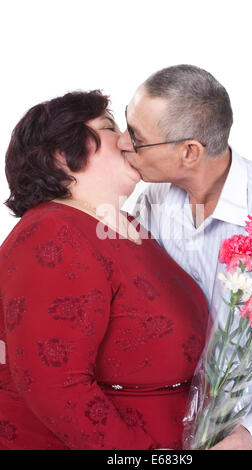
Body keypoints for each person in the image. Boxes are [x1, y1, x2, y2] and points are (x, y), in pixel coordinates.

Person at [0, 90, 209, 450]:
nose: (129, 140)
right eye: (110, 127)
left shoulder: (128, 226)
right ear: (63, 155)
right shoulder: (53, 232)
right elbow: (56, 387)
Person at [117, 64, 252, 450]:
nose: (120, 142)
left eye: (137, 137)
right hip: (168, 437)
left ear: (189, 152)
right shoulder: (153, 198)